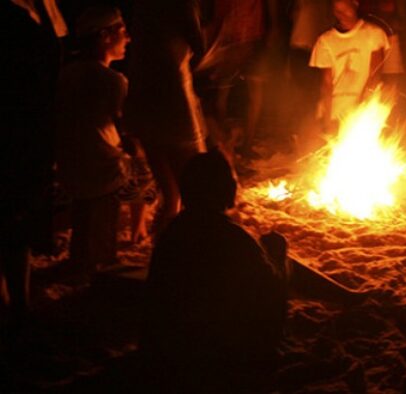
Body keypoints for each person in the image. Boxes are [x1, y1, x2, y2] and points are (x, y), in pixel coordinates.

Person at [140, 150, 287, 390]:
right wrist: (278, 258)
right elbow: (271, 301)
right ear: (227, 190)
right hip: (219, 365)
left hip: (165, 358)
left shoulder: (171, 235)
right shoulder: (236, 239)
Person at [1, 0, 67, 328]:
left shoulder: (27, 19)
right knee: (15, 220)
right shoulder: (21, 23)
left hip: (24, 129)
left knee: (14, 218)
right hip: (20, 131)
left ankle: (15, 301)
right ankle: (19, 306)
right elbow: (49, 63)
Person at [55, 6, 132, 282]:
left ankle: (80, 261)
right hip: (103, 169)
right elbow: (126, 131)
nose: (128, 39)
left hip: (71, 168)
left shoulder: (66, 74)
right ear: (105, 36)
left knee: (84, 220)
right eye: (122, 32)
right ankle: (97, 268)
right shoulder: (112, 81)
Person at [123, 0, 207, 234]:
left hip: (143, 92)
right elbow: (199, 46)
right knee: (194, 183)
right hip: (173, 92)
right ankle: (186, 248)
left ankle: (163, 249)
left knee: (169, 192)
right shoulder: (182, 4)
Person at [310, 0, 390, 129]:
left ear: (355, 4)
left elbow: (375, 74)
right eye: (337, 11)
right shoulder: (325, 41)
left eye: (346, 9)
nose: (342, 15)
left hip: (365, 110)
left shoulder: (374, 33)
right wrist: (327, 119)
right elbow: (326, 84)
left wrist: (364, 106)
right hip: (336, 113)